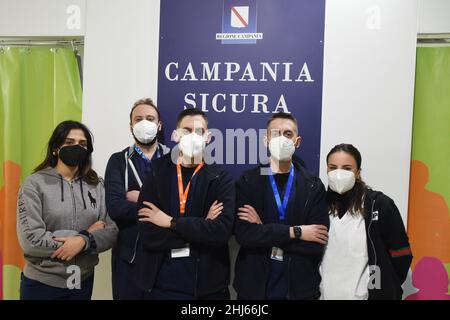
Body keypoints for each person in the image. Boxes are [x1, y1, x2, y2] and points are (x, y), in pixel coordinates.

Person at [135, 108, 235, 300]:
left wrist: (171, 222)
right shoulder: (156, 172)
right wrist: (202, 227)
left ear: (208, 137)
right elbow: (148, 233)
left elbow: (221, 232)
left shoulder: (221, 178)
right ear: (176, 135)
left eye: (199, 132)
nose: (193, 136)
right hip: (161, 285)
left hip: (208, 289)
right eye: (187, 130)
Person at [16, 120, 118, 300]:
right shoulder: (34, 184)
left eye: (82, 144)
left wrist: (84, 240)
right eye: (69, 143)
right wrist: (84, 236)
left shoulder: (96, 185)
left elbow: (111, 231)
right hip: (41, 283)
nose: (76, 147)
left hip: (83, 281)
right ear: (56, 148)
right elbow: (30, 239)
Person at [233, 112, 330, 300]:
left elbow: (316, 243)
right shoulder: (248, 181)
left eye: (288, 134)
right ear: (266, 139)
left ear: (297, 141)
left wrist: (263, 230)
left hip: (299, 289)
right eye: (276, 134)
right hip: (254, 289)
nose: (282, 139)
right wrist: (297, 232)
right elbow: (244, 236)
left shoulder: (313, 185)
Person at [320, 143, 413, 300]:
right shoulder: (319, 206)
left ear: (358, 172)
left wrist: (384, 289)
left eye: (347, 168)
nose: (339, 173)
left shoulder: (380, 205)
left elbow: (402, 255)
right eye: (333, 167)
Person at [105, 98, 170, 299]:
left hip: (167, 256)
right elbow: (116, 208)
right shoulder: (118, 161)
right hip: (129, 255)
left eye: (150, 118)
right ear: (131, 125)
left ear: (159, 125)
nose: (144, 123)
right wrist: (160, 212)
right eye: (138, 118)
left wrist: (139, 197)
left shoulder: (175, 158)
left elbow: (183, 206)